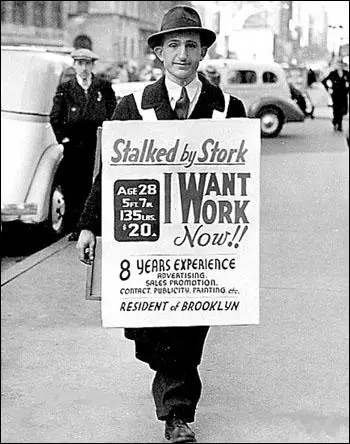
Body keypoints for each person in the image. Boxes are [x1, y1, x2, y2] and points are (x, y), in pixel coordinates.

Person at [76, 5, 246, 443]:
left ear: (204, 51)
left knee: (187, 329)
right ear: (159, 53)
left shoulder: (229, 109)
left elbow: (243, 177)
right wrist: (90, 226)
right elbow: (110, 173)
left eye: (192, 45)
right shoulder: (133, 107)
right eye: (174, 45)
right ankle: (166, 370)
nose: (183, 55)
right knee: (152, 335)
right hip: (148, 244)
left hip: (203, 245)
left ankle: (177, 415)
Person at [50, 48, 116, 240]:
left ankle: (95, 228)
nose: (84, 68)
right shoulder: (66, 89)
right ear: (75, 65)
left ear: (92, 66)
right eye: (80, 64)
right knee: (74, 187)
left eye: (87, 64)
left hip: (97, 144)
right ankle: (75, 229)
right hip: (75, 146)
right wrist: (64, 139)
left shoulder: (103, 87)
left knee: (95, 185)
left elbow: (112, 113)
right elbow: (55, 116)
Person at [321, 59, 350, 131]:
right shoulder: (333, 73)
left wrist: (347, 89)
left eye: (341, 65)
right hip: (335, 94)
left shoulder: (346, 73)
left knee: (343, 109)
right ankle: (338, 124)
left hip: (343, 93)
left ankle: (336, 121)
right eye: (339, 65)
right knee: (337, 109)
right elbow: (324, 81)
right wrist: (328, 88)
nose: (340, 66)